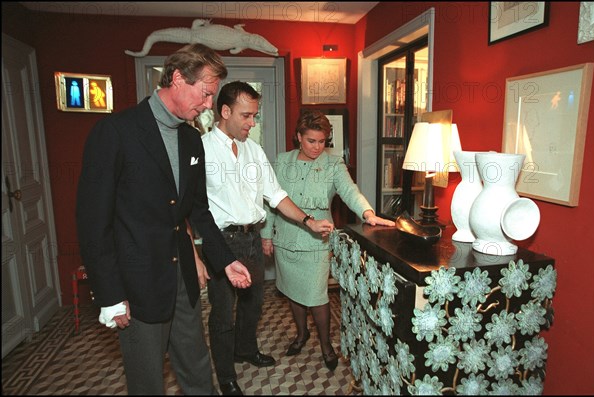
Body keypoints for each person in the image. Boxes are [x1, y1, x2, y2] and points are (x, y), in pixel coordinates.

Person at [76, 43, 253, 395]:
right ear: (176, 78)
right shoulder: (116, 132)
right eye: (205, 94)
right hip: (136, 282)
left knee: (197, 367)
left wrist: (225, 260)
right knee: (146, 380)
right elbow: (93, 222)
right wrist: (109, 294)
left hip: (181, 277)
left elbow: (198, 212)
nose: (207, 105)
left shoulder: (191, 139)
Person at [202, 81, 334, 396]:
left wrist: (309, 221)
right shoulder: (202, 149)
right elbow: (193, 207)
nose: (253, 123)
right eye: (247, 116)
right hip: (220, 240)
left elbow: (275, 195)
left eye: (255, 116)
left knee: (254, 303)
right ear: (225, 111)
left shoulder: (254, 150)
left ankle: (245, 349)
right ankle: (225, 376)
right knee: (222, 312)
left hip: (250, 239)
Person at [261, 110, 395, 371]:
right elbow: (270, 200)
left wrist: (368, 213)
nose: (317, 147)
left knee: (316, 295)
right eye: (311, 140)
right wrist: (266, 234)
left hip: (317, 239)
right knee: (291, 290)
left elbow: (349, 191)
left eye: (322, 141)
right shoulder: (281, 161)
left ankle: (326, 344)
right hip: (285, 238)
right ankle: (301, 335)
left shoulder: (334, 164)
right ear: (299, 137)